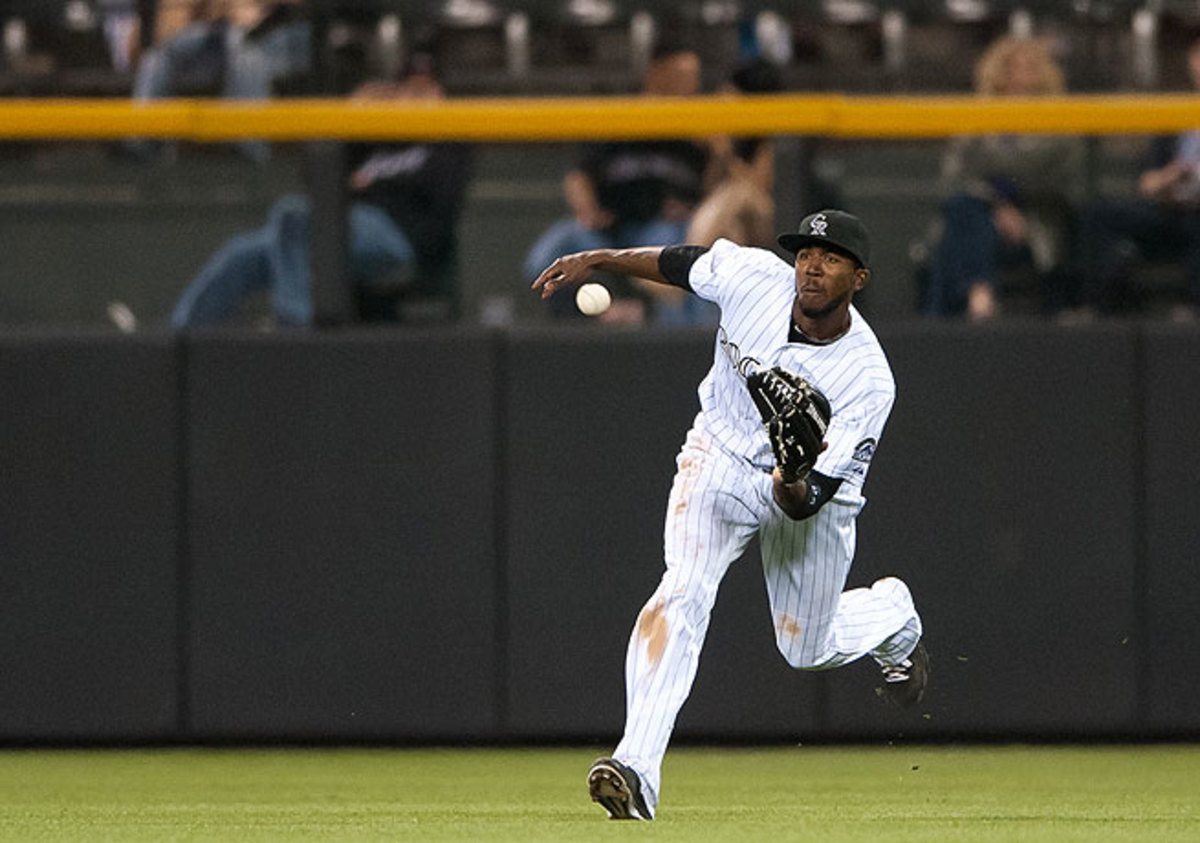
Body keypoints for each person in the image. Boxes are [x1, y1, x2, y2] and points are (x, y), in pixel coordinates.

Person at [531, 209, 928, 821]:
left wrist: (791, 473)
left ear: (861, 277)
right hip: (717, 454)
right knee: (682, 590)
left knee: (806, 648)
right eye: (804, 253)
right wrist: (601, 258)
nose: (812, 266)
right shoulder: (753, 276)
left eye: (830, 258)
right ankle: (635, 768)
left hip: (806, 503)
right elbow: (679, 264)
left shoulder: (868, 379)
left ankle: (894, 614)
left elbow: (806, 503)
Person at [170, 55, 472, 328]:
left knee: (293, 216)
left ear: (440, 95)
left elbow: (440, 202)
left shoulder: (450, 142)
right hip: (340, 232)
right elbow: (320, 179)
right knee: (242, 252)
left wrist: (370, 185)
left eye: (425, 91)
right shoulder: (373, 138)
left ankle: (297, 331)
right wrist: (354, 118)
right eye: (408, 91)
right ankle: (178, 342)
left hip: (396, 240)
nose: (416, 99)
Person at [522, 43, 713, 326]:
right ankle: (583, 328)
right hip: (606, 228)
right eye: (683, 74)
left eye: (695, 76)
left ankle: (661, 331)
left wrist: (696, 206)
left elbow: (716, 188)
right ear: (655, 74)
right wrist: (588, 211)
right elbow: (579, 175)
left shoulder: (700, 126)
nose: (692, 83)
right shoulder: (622, 114)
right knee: (544, 257)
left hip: (661, 229)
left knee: (680, 264)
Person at [920, 36, 1084, 320]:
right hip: (979, 214)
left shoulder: (1060, 122)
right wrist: (997, 206)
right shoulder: (974, 118)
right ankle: (978, 294)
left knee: (957, 230)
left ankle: (953, 313)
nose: (1019, 78)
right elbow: (952, 181)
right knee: (963, 211)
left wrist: (1009, 206)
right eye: (1010, 69)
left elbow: (1059, 183)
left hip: (1035, 219)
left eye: (1029, 69)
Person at [1067, 38, 1200, 322]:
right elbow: (1147, 182)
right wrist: (1169, 176)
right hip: (1171, 209)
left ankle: (1194, 307)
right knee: (1099, 213)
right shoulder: (1176, 112)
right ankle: (1099, 305)